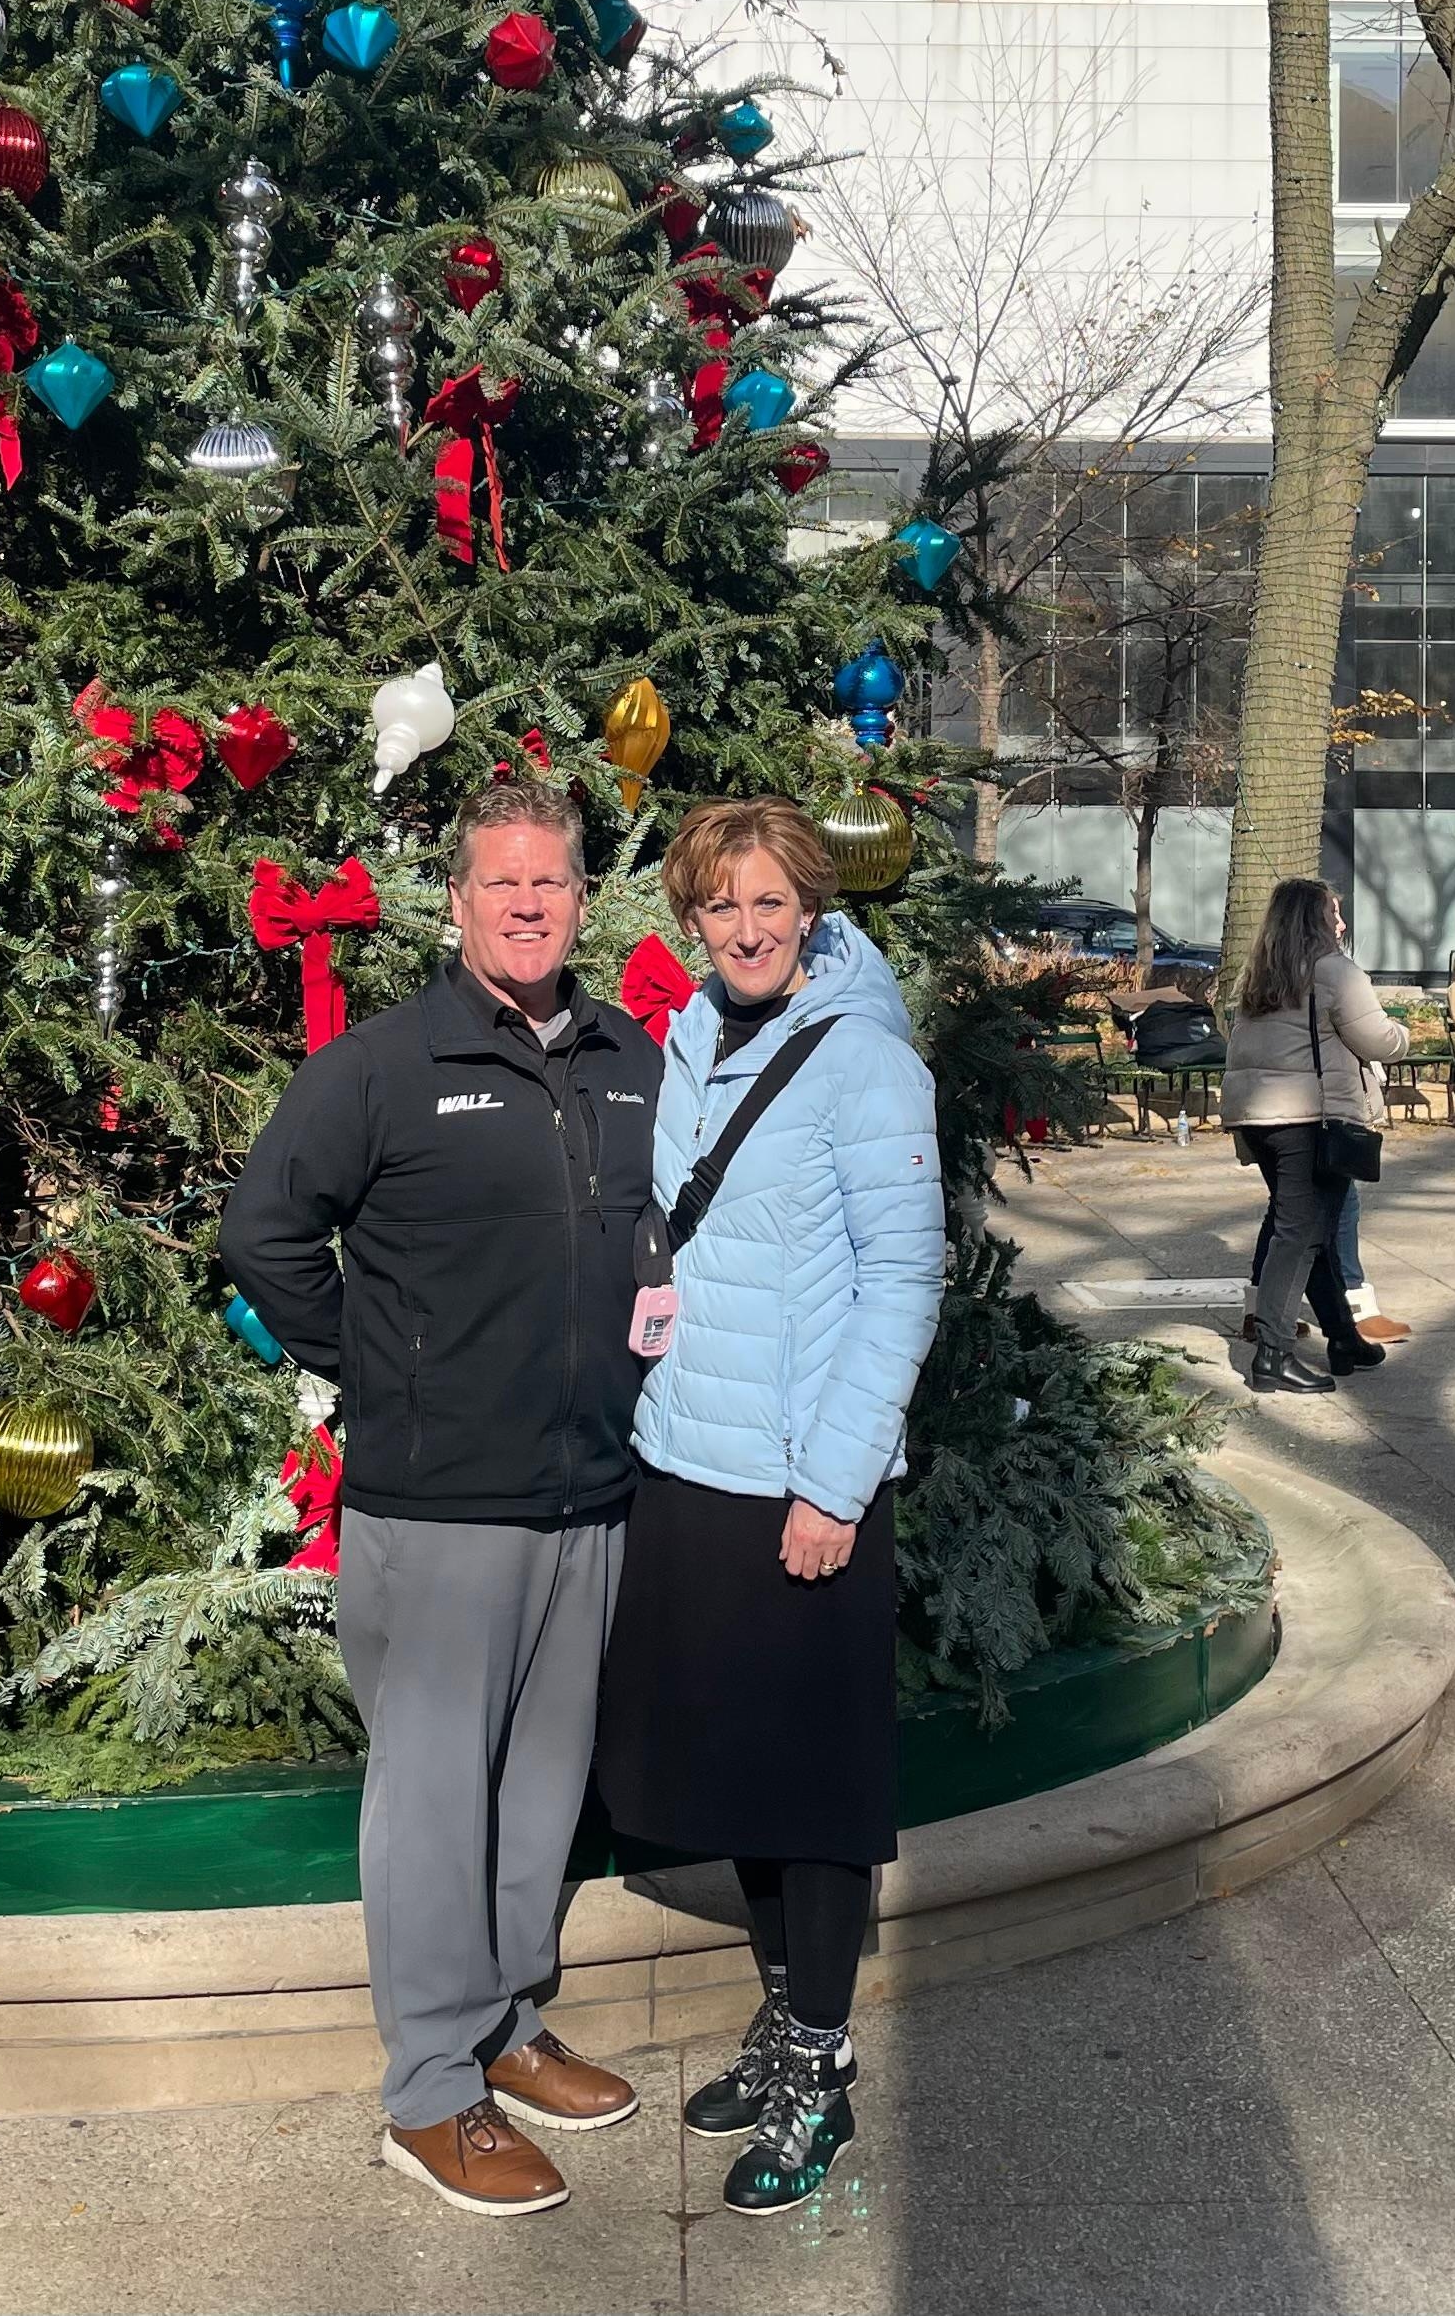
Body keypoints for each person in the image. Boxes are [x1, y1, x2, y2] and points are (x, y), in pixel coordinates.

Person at [219, 778, 660, 2220]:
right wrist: (379, 1364)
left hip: (590, 1491)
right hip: (439, 1505)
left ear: (583, 899)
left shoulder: (628, 1058)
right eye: (500, 883)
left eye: (551, 883)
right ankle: (427, 2088)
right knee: (430, 1794)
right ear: (457, 902)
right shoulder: (386, 1064)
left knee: (541, 1787)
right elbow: (265, 1228)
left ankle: (506, 2025)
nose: (527, 904)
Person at [593, 797, 943, 2218]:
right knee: (740, 1770)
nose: (743, 928)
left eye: (767, 903)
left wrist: (834, 1483)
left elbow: (903, 1281)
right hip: (692, 1463)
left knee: (812, 1799)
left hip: (805, 1484)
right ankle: (788, 2018)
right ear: (691, 918)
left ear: (810, 907)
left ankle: (823, 2057)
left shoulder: (866, 1059)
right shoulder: (688, 1037)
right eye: (718, 907)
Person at [1225, 879, 1406, 1392]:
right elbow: (1380, 1040)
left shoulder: (1260, 972)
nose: (1341, 923)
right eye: (1334, 913)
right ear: (1315, 919)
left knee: (1314, 1231)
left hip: (1258, 1120)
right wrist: (1403, 1033)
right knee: (1299, 1235)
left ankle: (1345, 1338)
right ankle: (1273, 1356)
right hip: (1310, 1119)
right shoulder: (1335, 971)